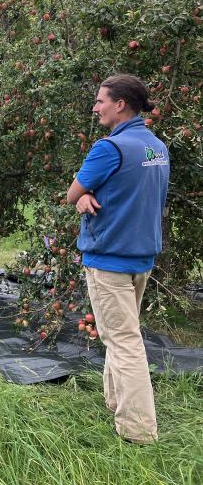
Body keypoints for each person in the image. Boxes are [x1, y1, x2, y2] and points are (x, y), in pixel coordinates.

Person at [66, 74, 169, 445]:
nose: (95, 108)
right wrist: (84, 197)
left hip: (109, 259)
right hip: (142, 257)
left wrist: (79, 196)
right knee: (119, 335)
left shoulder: (109, 148)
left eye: (100, 101)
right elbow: (140, 193)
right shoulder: (157, 147)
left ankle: (139, 432)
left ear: (120, 104)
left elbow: (72, 192)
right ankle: (114, 401)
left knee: (125, 343)